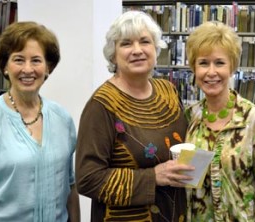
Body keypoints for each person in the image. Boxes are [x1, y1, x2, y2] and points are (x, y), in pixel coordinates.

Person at [75, 10, 194, 222]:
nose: (137, 50)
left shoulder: (168, 91)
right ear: (113, 54)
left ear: (156, 49)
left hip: (175, 213)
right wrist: (152, 177)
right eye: (126, 43)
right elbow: (88, 179)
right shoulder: (101, 106)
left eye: (145, 42)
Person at [0, 21, 80, 222]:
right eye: (19, 60)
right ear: (5, 67)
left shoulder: (63, 120)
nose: (27, 69)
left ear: (48, 67)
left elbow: (70, 188)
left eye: (36, 60)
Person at [185, 21, 255, 221]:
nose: (211, 72)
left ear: (232, 67)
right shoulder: (189, 118)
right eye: (203, 63)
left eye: (220, 63)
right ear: (194, 68)